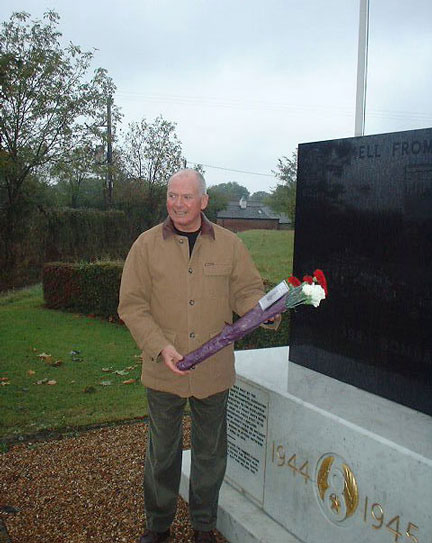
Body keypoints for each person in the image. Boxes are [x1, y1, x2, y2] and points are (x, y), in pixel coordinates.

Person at [118, 169, 278, 543]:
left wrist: (268, 309)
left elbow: (247, 294)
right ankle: (158, 525)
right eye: (172, 195)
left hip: (214, 371)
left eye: (186, 196)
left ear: (204, 201)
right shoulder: (145, 245)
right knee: (162, 454)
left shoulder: (230, 245)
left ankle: (203, 524)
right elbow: (132, 305)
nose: (177, 203)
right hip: (164, 370)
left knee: (209, 454)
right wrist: (160, 346)